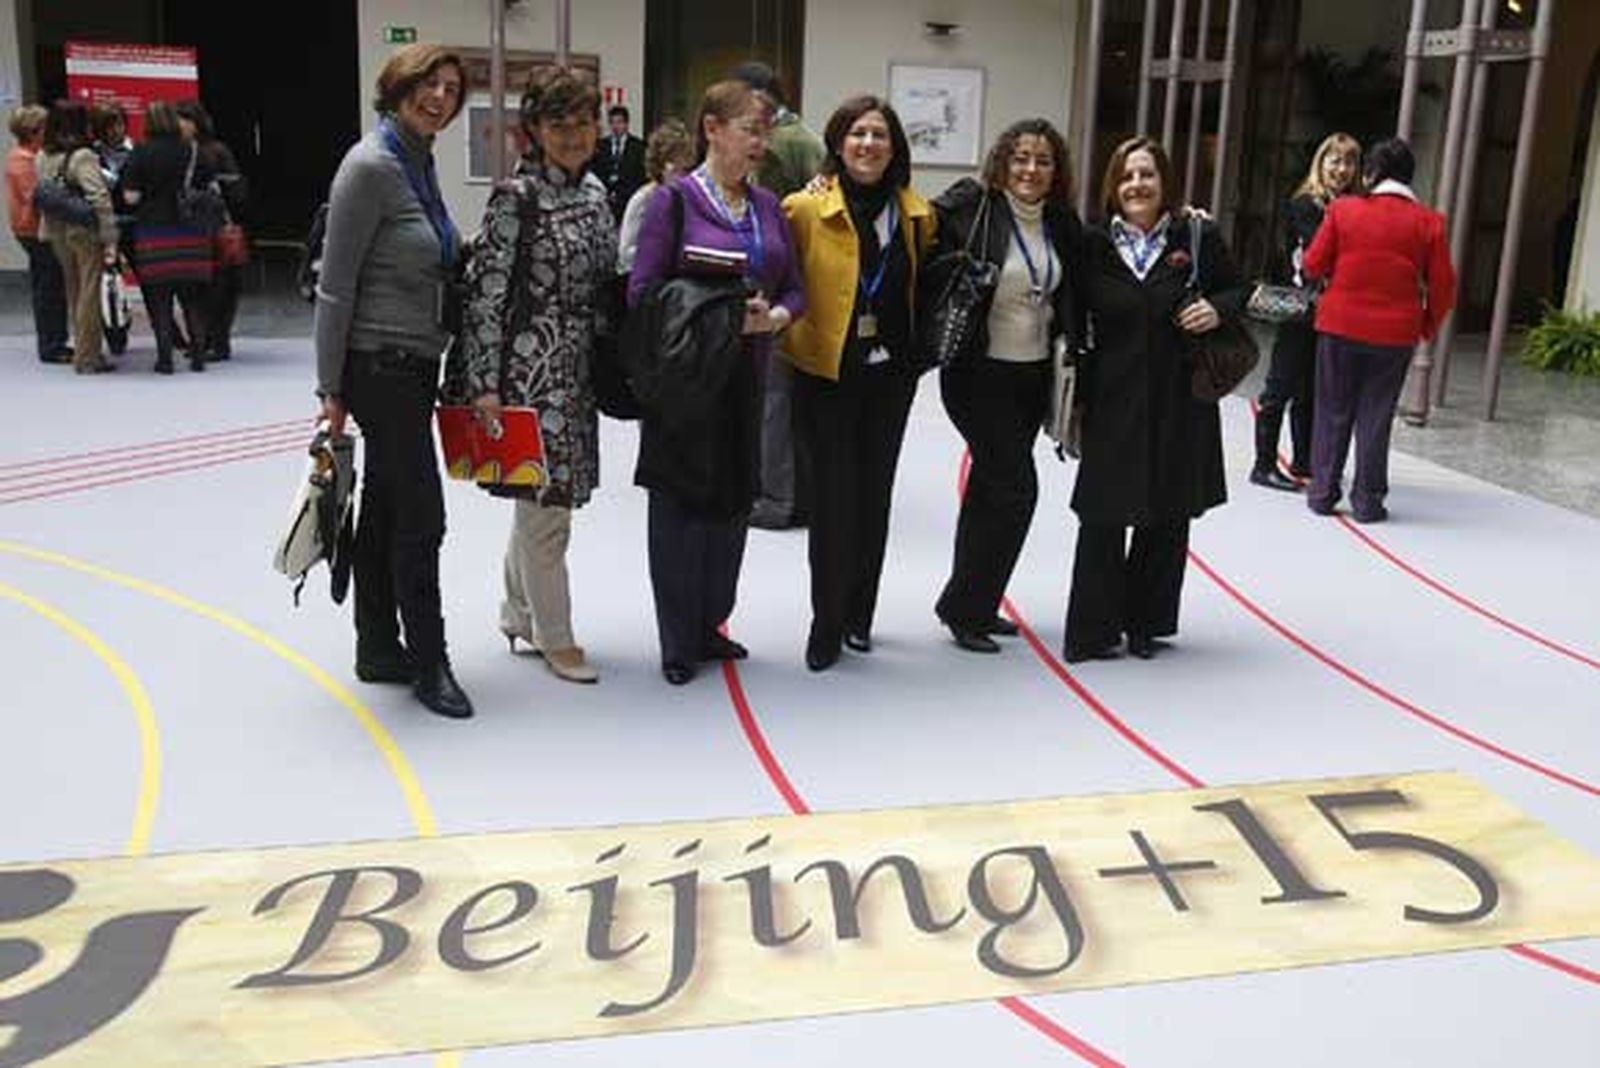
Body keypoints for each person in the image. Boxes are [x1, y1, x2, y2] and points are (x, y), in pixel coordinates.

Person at [315, 43, 474, 718]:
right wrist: (330, 395)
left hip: (413, 365)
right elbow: (334, 286)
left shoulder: (418, 160)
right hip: (377, 365)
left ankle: (377, 644)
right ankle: (429, 660)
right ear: (397, 87)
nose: (439, 97)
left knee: (384, 508)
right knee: (422, 516)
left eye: (449, 88)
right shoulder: (372, 165)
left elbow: (429, 253)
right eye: (427, 85)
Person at [627, 79, 805, 685]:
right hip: (685, 381)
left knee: (730, 507)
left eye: (765, 132)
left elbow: (796, 289)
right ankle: (677, 640)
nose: (760, 143)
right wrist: (712, 308)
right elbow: (642, 294)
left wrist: (773, 317)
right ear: (712, 129)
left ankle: (710, 624)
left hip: (746, 377)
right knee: (678, 511)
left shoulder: (769, 208)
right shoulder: (673, 203)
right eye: (750, 130)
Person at [452, 68, 615, 685]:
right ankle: (557, 635)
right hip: (527, 377)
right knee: (547, 508)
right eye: (558, 124)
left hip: (578, 374)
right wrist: (485, 386)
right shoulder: (515, 199)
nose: (572, 136)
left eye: (582, 123)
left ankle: (518, 611)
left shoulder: (597, 193)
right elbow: (485, 300)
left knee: (544, 500)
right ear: (534, 132)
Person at [1063, 136, 1246, 662]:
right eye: (1126, 176)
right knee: (1101, 513)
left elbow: (1238, 289)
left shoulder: (1196, 235)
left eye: (1147, 175)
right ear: (1112, 187)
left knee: (1167, 512)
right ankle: (1094, 629)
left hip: (1178, 396)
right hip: (1111, 396)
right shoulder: (1092, 243)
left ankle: (1146, 624)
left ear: (1164, 182)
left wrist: (1217, 308)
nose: (1137, 185)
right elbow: (1071, 310)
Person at [781, 95, 936, 671]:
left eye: (880, 136)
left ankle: (860, 617)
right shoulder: (805, 208)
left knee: (874, 499)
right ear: (839, 143)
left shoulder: (917, 214)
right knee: (831, 502)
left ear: (895, 149)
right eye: (858, 134)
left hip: (890, 378)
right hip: (825, 376)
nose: (868, 145)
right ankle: (826, 621)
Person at [932, 119, 1083, 654]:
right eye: (1021, 157)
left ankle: (971, 603)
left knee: (990, 491)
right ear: (1003, 160)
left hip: (1032, 375)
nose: (1030, 169)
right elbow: (922, 221)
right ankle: (967, 608)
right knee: (1017, 488)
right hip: (978, 373)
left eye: (1043, 160)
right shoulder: (975, 209)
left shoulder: (1061, 222)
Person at [1302, 137, 1456, 524]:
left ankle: (1323, 491)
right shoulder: (1429, 222)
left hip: (1339, 323)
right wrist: (1426, 324)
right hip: (1395, 333)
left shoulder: (1344, 209)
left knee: (1333, 409)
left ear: (1371, 175)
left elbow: (1313, 264)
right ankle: (1368, 500)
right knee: (1376, 414)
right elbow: (1444, 286)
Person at [732, 61, 827, 532]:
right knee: (786, 399)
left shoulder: (781, 143)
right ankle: (795, 494)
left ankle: (775, 498)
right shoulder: (804, 137)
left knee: (774, 398)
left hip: (779, 284)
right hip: (800, 284)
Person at [1251, 132, 1361, 492]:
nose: (1341, 168)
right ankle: (1264, 463)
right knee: (1280, 384)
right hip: (1301, 308)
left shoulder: (1351, 205)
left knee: (1311, 388)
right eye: (1335, 160)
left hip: (1332, 311)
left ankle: (1304, 459)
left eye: (1348, 162)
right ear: (1321, 162)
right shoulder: (1305, 204)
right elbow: (1320, 251)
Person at [118, 100, 214, 374]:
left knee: (160, 300)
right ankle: (198, 356)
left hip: (154, 231)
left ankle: (165, 360)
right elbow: (208, 186)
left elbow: (130, 196)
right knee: (192, 299)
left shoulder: (141, 152)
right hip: (192, 232)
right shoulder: (193, 151)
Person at [36, 100, 118, 375]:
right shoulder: (83, 156)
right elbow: (99, 197)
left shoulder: (43, 155)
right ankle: (88, 356)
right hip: (83, 232)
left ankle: (82, 349)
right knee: (89, 293)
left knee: (74, 291)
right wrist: (110, 236)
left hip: (57, 231)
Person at [176, 100, 248, 361]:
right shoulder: (181, 151)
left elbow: (238, 191)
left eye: (184, 120)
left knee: (218, 287)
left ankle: (217, 341)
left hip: (215, 227)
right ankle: (204, 339)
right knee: (198, 288)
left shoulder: (215, 150)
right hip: (191, 228)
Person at [5, 104, 70, 363]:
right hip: (35, 231)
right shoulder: (23, 161)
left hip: (33, 229)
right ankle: (52, 345)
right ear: (35, 132)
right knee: (49, 288)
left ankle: (54, 341)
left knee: (48, 286)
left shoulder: (27, 156)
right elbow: (39, 196)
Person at [617, 118, 694, 276]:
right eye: (672, 162)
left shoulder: (689, 199)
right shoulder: (642, 200)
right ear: (660, 164)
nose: (679, 173)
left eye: (685, 168)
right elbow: (625, 256)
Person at [588, 104, 645, 221]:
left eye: (619, 122)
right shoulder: (600, 146)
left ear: (626, 124)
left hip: (628, 200)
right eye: (612, 123)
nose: (616, 126)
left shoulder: (638, 147)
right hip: (604, 199)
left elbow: (640, 175)